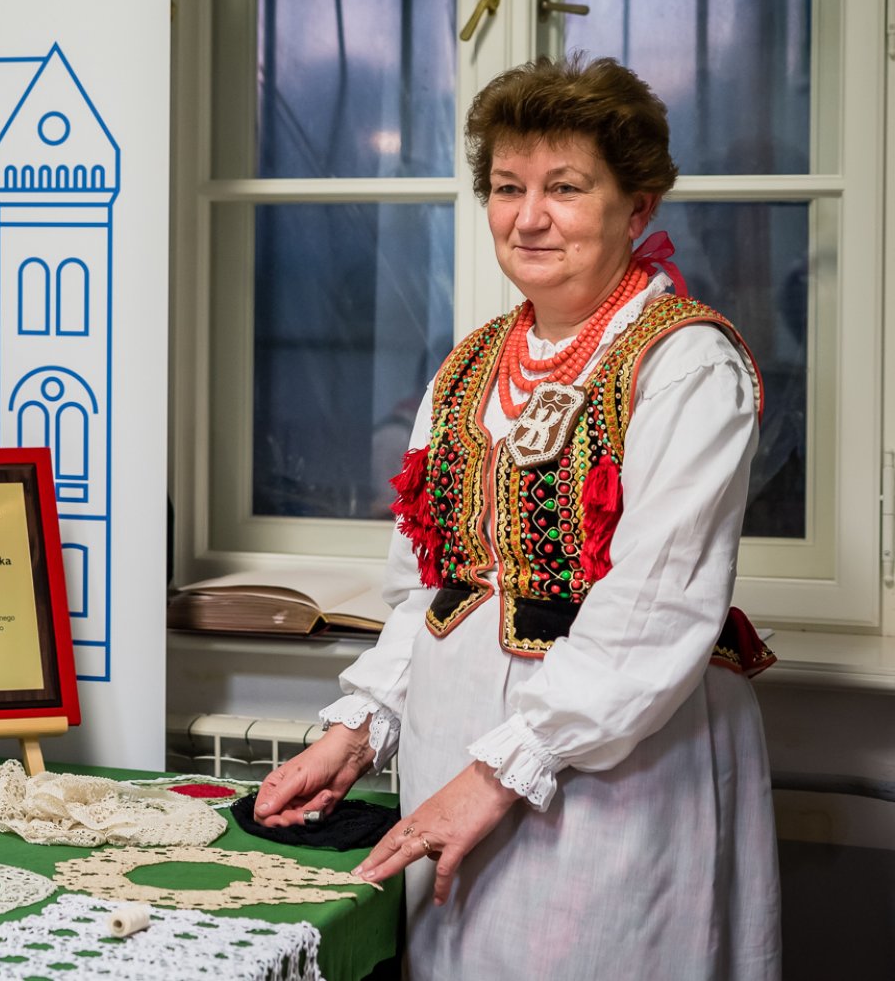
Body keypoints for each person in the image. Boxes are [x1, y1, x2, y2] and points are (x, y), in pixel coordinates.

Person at [253, 54, 781, 981]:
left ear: (638, 206)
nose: (528, 216)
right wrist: (359, 727)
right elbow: (430, 589)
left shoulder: (687, 365)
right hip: (449, 753)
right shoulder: (469, 365)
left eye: (564, 188)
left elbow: (656, 608)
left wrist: (499, 774)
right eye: (507, 187)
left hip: (611, 770)